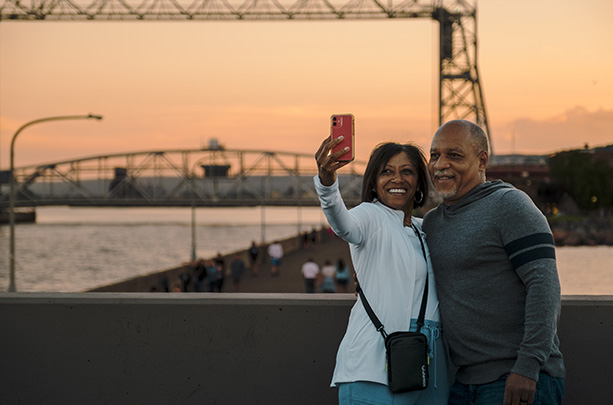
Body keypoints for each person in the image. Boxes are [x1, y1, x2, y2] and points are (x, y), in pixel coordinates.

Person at [423, 119, 565, 405]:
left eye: (454, 155)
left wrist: (527, 367)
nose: (440, 164)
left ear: (482, 160)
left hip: (517, 378)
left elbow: (545, 286)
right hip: (462, 383)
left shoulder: (509, 205)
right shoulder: (432, 223)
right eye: (435, 154)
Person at [314, 136, 451, 403]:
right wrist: (327, 183)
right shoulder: (371, 216)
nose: (397, 179)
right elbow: (343, 224)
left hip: (429, 365)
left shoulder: (425, 229)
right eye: (386, 171)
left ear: (419, 182)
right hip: (376, 366)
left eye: (407, 171)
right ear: (374, 182)